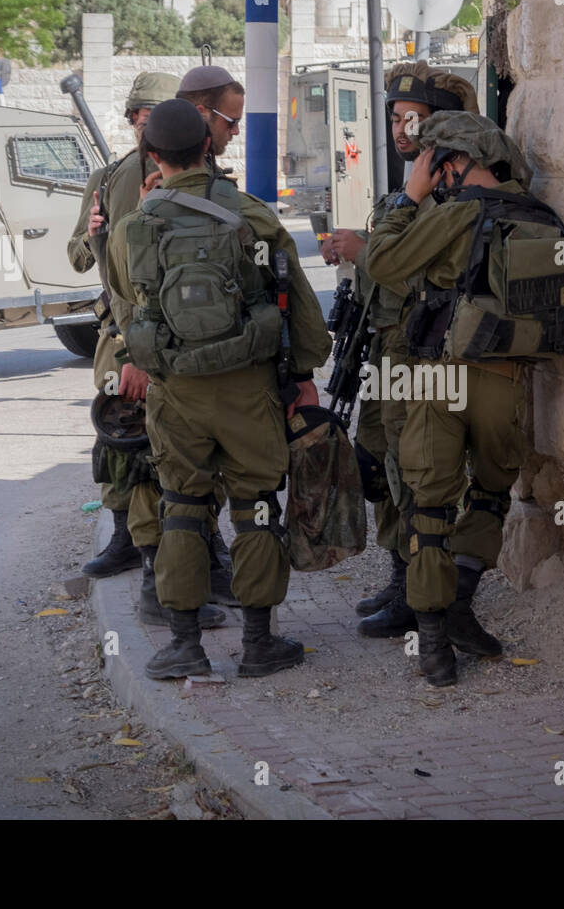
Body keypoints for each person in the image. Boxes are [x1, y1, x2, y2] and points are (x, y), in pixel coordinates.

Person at [106, 99, 333, 680]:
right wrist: (304, 376)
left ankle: (185, 646)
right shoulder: (252, 215)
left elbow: (129, 308)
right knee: (256, 506)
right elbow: (300, 306)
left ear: (151, 155)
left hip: (175, 391)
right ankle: (259, 644)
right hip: (248, 387)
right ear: (208, 146)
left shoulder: (135, 227)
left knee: (182, 506)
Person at [366, 111, 540, 687]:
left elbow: (383, 263)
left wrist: (408, 199)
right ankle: (462, 603)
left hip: (438, 376)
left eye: (434, 162)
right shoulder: (538, 213)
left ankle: (435, 642)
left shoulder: (455, 210)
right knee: (490, 495)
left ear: (452, 161)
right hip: (507, 380)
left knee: (431, 508)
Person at [319, 62, 477, 640]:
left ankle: (421, 592)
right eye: (395, 117)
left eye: (415, 117)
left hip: (421, 353)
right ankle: (400, 571)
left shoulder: (449, 192)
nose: (403, 128)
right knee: (381, 462)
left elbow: (434, 282)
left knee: (414, 471)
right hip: (385, 348)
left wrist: (367, 251)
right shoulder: (408, 187)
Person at [68, 72, 229, 629]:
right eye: (141, 117)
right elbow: (87, 261)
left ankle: (203, 560)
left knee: (190, 459)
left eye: (155, 116)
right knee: (132, 457)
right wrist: (91, 233)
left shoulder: (197, 177)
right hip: (125, 339)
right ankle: (141, 562)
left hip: (177, 342)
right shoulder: (109, 179)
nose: (147, 127)